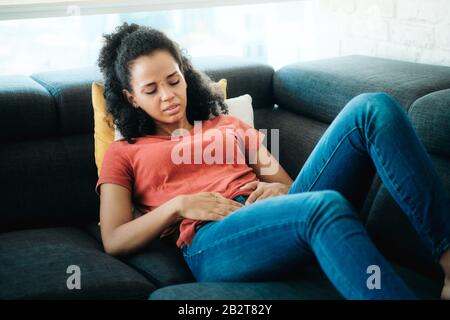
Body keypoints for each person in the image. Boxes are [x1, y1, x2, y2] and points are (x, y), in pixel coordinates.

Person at [95, 23, 450, 300]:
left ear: (184, 75)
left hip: (274, 217)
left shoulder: (229, 124)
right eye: (151, 89)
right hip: (214, 241)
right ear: (132, 98)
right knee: (322, 206)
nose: (169, 95)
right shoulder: (125, 151)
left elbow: (289, 188)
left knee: (373, 107)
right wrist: (179, 205)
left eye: (173, 80)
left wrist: (275, 189)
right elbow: (114, 238)